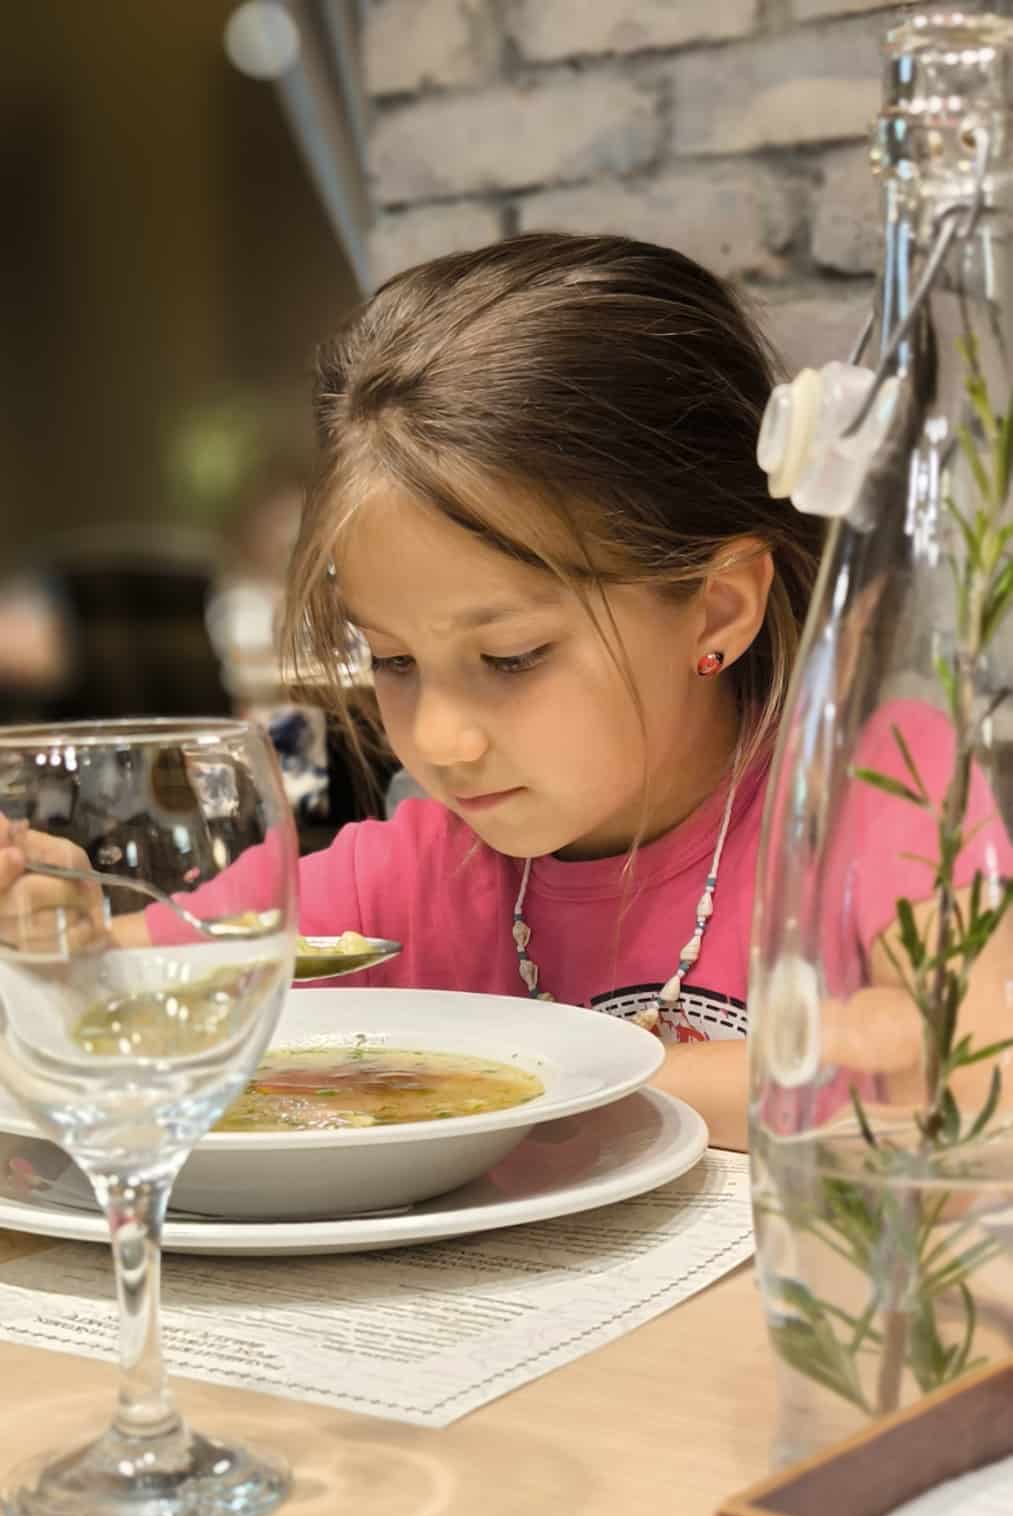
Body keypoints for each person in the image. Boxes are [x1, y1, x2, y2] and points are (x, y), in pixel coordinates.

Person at [0, 233, 825, 1147]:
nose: (436, 740)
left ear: (715, 610)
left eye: (510, 657)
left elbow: (918, 1073)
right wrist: (59, 945)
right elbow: (121, 1006)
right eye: (392, 660)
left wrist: (522, 1077)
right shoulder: (405, 878)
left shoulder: (864, 816)